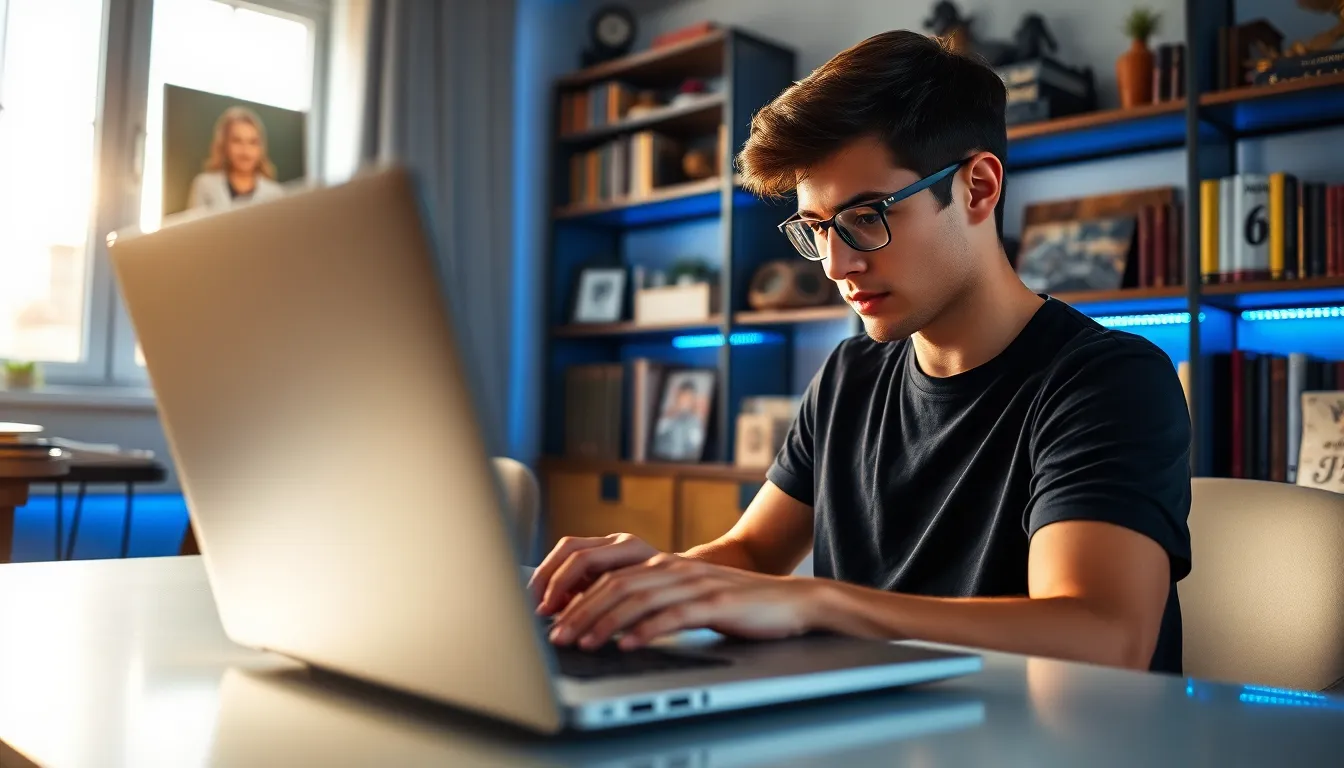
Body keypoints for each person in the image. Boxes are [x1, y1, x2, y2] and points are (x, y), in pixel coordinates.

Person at [528, 30, 1192, 674]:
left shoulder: (1108, 381)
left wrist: (815, 600)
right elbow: (754, 551)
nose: (836, 264)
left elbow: (1104, 636)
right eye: (816, 229)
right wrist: (658, 580)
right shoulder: (850, 375)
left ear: (979, 188)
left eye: (867, 216)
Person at [186, 106, 286, 211]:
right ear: (224, 145)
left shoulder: (276, 194)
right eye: (237, 141)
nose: (245, 150)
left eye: (252, 142)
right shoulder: (205, 185)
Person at [652, 379, 707, 460]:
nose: (685, 401)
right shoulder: (664, 417)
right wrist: (670, 415)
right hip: (660, 462)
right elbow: (655, 436)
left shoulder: (695, 422)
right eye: (683, 397)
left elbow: (696, 446)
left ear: (692, 400)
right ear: (677, 396)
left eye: (688, 398)